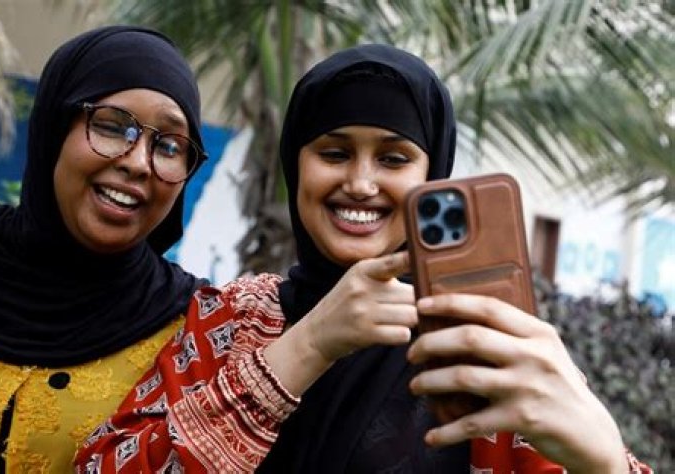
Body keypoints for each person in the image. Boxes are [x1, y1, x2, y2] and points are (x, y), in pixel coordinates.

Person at [74, 44, 651, 473]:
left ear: (432, 174)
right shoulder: (230, 317)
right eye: (334, 152)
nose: (360, 182)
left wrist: (604, 461)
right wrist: (308, 345)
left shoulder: (485, 339)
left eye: (394, 159)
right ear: (296, 165)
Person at [0, 26, 210, 471]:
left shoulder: (195, 329)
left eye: (169, 145)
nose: (138, 162)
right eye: (112, 126)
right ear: (55, 129)